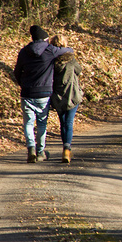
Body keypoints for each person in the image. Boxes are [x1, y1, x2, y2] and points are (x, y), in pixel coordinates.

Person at [13, 25, 73, 163]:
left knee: (28, 123)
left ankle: (31, 150)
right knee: (41, 124)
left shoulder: (23, 52)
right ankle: (40, 152)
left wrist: (22, 84)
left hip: (27, 92)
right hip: (44, 93)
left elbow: (17, 72)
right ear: (44, 39)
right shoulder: (49, 51)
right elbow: (68, 50)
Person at [49, 35, 83, 164]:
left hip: (58, 97)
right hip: (72, 95)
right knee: (69, 123)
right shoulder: (71, 60)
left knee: (62, 123)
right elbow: (79, 71)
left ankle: (66, 148)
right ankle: (66, 149)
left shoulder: (51, 61)